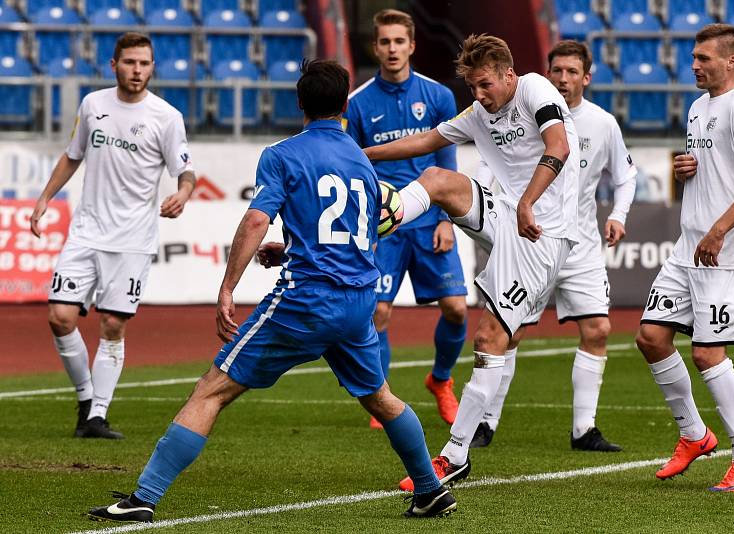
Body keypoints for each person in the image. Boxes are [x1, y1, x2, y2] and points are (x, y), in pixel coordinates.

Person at [87, 59, 456, 523]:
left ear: (299, 103)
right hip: (357, 300)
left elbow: (257, 219)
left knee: (212, 389)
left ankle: (144, 497)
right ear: (345, 105)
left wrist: (226, 288)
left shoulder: (282, 155)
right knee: (380, 397)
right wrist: (292, 250)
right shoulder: (361, 160)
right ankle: (429, 489)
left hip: (306, 300)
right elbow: (362, 229)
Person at [363, 33, 580, 489]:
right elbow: (425, 140)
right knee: (439, 177)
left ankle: (456, 453)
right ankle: (388, 218)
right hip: (507, 215)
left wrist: (527, 202)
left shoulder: (536, 88)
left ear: (508, 73)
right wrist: (360, 154)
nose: (479, 96)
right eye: (472, 88)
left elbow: (557, 145)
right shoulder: (480, 111)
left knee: (489, 337)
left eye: (485, 85)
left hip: (542, 234)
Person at [470, 40, 636, 452]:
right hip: (531, 241)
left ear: (586, 77)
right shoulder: (521, 113)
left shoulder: (602, 123)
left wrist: (619, 215)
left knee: (597, 329)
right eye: (556, 70)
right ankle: (485, 422)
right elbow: (497, 173)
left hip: (579, 246)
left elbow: (626, 176)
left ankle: (584, 429)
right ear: (546, 73)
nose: (563, 78)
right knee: (511, 331)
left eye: (572, 71)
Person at [30, 32, 196, 440]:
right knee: (60, 317)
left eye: (144, 63)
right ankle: (86, 398)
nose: (136, 70)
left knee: (112, 325)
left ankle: (97, 415)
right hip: (86, 232)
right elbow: (73, 155)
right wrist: (45, 197)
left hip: (132, 240)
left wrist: (184, 193)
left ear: (152, 67)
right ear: (114, 65)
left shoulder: (166, 117)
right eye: (129, 63)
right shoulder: (93, 105)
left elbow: (185, 171)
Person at [635, 24, 734, 492]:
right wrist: (686, 167)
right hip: (688, 244)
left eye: (703, 58)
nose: (694, 65)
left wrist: (718, 231)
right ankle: (694, 435)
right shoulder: (697, 108)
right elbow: (716, 167)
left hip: (724, 250)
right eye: (693, 58)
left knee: (706, 351)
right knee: (651, 336)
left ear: (731, 60)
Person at [343, 9, 468, 429]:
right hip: (382, 227)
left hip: (431, 218)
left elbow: (447, 160)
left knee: (454, 308)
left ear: (412, 45)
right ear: (374, 46)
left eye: (400, 41)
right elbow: (354, 164)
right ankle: (383, 397)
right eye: (385, 42)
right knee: (377, 313)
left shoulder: (438, 97)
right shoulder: (357, 103)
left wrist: (447, 219)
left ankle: (442, 380)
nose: (392, 49)